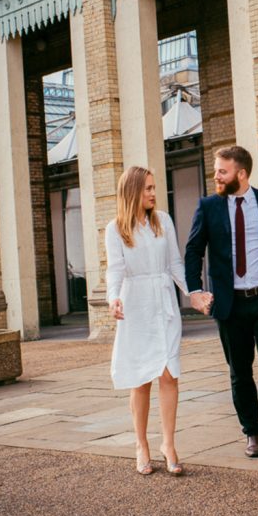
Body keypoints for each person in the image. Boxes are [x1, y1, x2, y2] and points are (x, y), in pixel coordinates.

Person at [184, 146, 258, 461]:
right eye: (216, 170)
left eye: (222, 171)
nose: (216, 176)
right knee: (240, 372)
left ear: (241, 173)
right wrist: (195, 289)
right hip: (230, 305)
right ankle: (252, 431)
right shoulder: (209, 207)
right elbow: (194, 249)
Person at [105, 165, 189, 476]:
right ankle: (141, 444)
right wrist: (113, 297)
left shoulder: (163, 221)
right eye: (148, 189)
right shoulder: (115, 229)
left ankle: (168, 443)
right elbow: (115, 269)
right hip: (136, 305)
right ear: (133, 192)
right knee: (141, 379)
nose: (154, 193)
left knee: (169, 375)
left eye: (154, 188)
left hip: (164, 303)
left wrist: (192, 294)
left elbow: (175, 263)